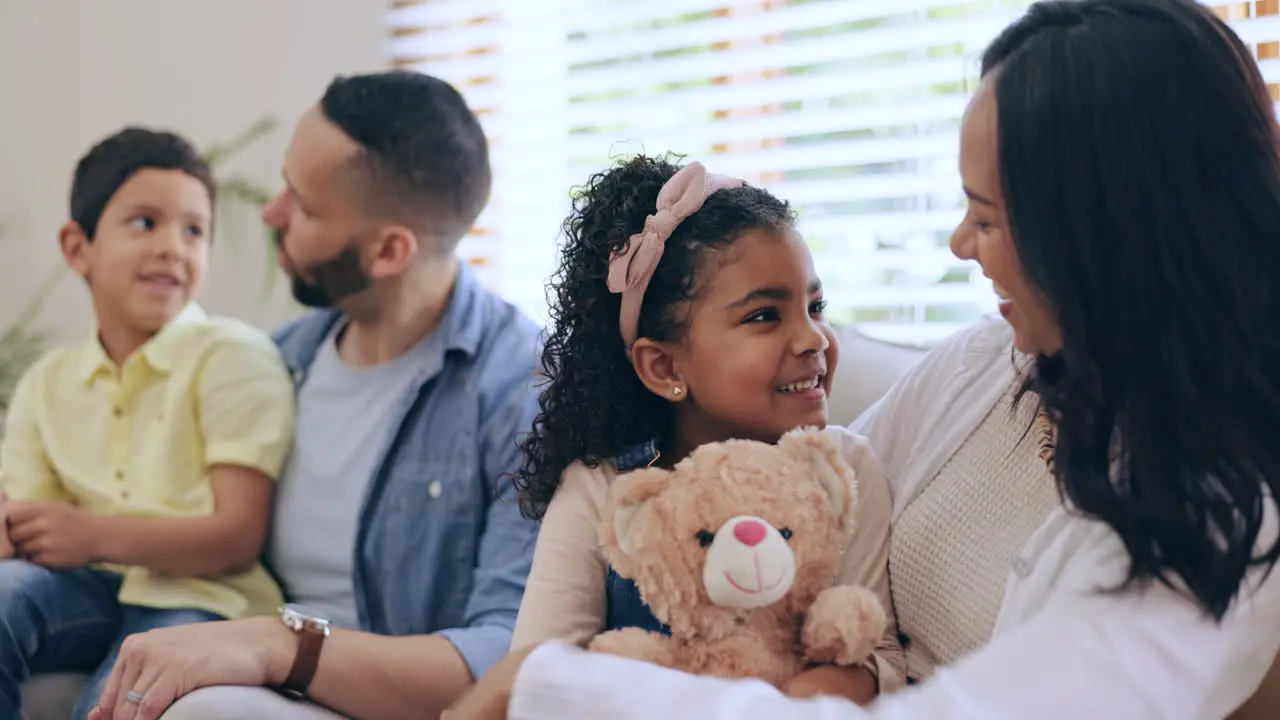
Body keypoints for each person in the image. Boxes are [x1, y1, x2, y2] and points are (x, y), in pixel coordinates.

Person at [444, 1, 1280, 718]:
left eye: (987, 220)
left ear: (1105, 239)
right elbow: (804, 497)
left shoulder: (1221, 510)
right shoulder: (986, 370)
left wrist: (554, 681)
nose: (961, 245)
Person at [88, 71, 543, 720]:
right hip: (253, 666)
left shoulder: (520, 390)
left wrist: (280, 645)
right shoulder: (274, 362)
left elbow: (508, 658)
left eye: (302, 206)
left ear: (388, 250)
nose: (270, 214)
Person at [506, 154, 902, 702]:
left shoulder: (840, 469)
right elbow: (536, 671)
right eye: (765, 315)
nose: (813, 338)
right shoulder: (601, 488)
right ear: (664, 367)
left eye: (816, 306)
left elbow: (876, 658)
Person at [0, 127, 295, 720]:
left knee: (119, 700)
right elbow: (34, 529)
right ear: (77, 247)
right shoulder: (47, 382)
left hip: (204, 598)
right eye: (144, 222)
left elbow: (236, 540)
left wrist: (91, 535)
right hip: (84, 589)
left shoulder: (231, 356)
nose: (172, 247)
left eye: (194, 230)